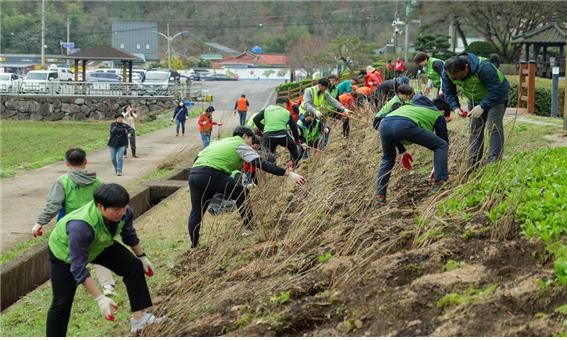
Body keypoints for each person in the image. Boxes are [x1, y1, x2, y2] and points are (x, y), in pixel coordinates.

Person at [46, 183, 162, 336]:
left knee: (133, 266)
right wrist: (100, 298)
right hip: (65, 253)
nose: (121, 212)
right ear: (100, 206)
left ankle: (139, 319)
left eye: (124, 207)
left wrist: (142, 257)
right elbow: (78, 267)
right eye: (116, 209)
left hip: (99, 244)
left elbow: (128, 235)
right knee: (62, 302)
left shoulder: (125, 213)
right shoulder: (80, 226)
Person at [188, 126, 305, 247]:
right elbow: (261, 163)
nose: (251, 143)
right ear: (244, 136)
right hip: (212, 173)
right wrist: (288, 174)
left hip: (194, 174)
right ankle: (250, 228)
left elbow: (197, 158)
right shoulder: (240, 144)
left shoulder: (219, 142)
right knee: (241, 192)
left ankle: (194, 244)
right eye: (250, 139)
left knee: (197, 211)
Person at [32, 148, 117, 297]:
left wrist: (39, 223)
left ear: (66, 164)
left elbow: (53, 205)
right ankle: (108, 285)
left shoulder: (63, 181)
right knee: (97, 252)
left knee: (72, 257)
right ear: (85, 162)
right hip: (94, 225)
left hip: (71, 227)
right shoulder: (96, 182)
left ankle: (72, 286)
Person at [375, 95, 452, 205]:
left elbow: (394, 125)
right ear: (443, 111)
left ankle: (380, 196)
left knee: (387, 160)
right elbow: (443, 143)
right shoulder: (438, 114)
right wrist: (438, 168)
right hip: (404, 124)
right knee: (442, 145)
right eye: (446, 117)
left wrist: (402, 151)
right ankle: (439, 183)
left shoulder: (410, 107)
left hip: (385, 123)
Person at [442, 52, 510, 169]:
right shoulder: (447, 72)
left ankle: (493, 163)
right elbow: (448, 91)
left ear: (466, 67)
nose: (458, 80)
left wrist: (482, 106)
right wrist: (455, 107)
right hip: (474, 99)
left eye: (460, 77)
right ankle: (473, 163)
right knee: (475, 129)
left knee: (493, 127)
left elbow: (496, 89)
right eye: (455, 79)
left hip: (497, 97)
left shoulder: (483, 67)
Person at [253, 97, 302, 169]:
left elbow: (255, 119)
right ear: (285, 104)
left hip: (268, 136)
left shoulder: (267, 109)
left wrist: (264, 129)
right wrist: (297, 141)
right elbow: (294, 128)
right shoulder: (286, 112)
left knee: (267, 155)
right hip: (283, 135)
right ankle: (294, 166)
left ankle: (271, 170)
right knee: (293, 149)